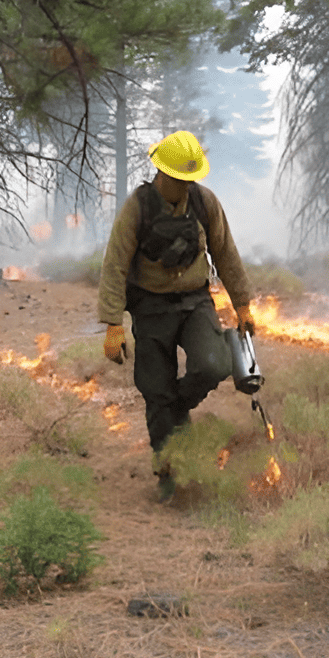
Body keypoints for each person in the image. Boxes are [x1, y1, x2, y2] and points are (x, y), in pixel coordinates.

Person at [97, 130, 256, 502]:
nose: (185, 186)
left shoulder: (204, 203)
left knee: (214, 364)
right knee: (155, 389)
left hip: (196, 302)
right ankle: (167, 469)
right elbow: (115, 265)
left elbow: (226, 253)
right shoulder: (138, 207)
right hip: (151, 307)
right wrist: (113, 324)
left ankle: (177, 406)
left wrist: (243, 304)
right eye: (178, 179)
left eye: (190, 179)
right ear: (160, 172)